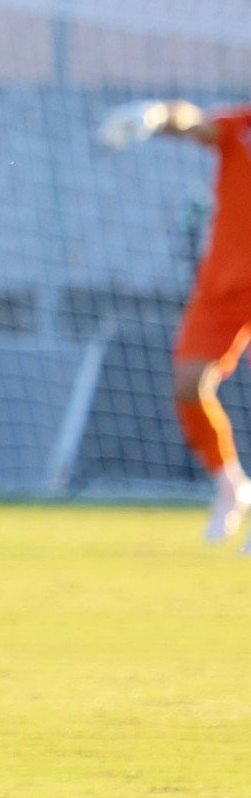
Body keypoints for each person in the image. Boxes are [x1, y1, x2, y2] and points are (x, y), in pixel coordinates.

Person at [98, 98, 251, 543]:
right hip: (224, 283)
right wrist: (154, 116)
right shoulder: (241, 126)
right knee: (188, 386)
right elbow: (192, 121)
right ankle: (231, 485)